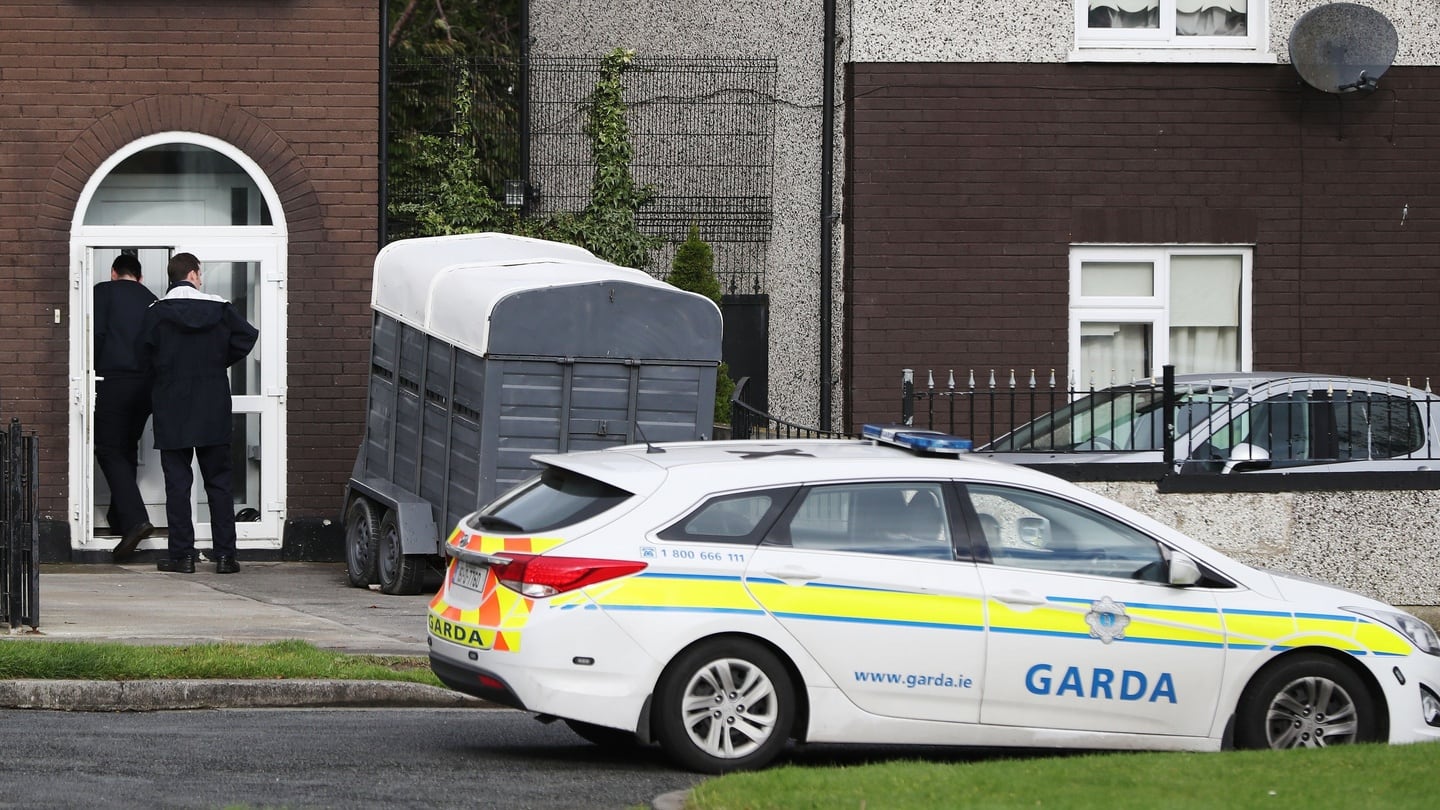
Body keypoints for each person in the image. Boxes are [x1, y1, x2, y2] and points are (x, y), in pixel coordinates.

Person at [139, 253, 258, 574]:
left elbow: (143, 355)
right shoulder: (219, 308)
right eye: (200, 274)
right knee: (219, 483)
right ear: (192, 274)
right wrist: (218, 360)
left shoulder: (156, 313)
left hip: (172, 405)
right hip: (212, 404)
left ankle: (183, 556)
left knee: (177, 484)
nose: (201, 279)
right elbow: (248, 336)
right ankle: (224, 557)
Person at [96, 253, 158, 561]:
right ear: (140, 277)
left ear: (113, 273)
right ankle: (119, 518)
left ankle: (134, 520)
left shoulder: (103, 292)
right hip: (146, 386)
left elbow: (96, 334)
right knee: (126, 447)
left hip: (113, 380)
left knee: (108, 449)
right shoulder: (153, 300)